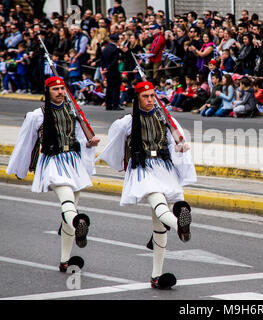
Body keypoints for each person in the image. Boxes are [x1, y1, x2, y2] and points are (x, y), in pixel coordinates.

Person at [97, 81, 196, 289]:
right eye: (146, 96)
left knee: (158, 226)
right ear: (138, 98)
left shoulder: (164, 118)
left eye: (152, 96)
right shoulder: (127, 121)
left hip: (163, 166)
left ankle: (156, 276)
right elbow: (114, 146)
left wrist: (181, 147)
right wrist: (124, 165)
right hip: (142, 168)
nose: (150, 100)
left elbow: (173, 141)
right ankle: (180, 224)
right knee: (159, 202)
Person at [6, 76, 100, 272]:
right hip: (53, 162)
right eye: (55, 89)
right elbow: (26, 143)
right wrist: (21, 168)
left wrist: (90, 144)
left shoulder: (73, 111)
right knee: (67, 201)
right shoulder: (37, 115)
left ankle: (65, 260)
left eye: (62, 89)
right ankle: (79, 227)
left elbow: (80, 138)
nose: (60, 92)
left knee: (70, 208)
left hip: (73, 161)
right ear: (47, 92)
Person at [101, 33, 123, 110]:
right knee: (115, 88)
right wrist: (108, 68)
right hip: (114, 71)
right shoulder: (115, 49)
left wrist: (104, 68)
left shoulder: (106, 48)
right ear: (116, 41)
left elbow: (102, 60)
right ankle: (115, 105)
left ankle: (108, 105)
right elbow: (114, 61)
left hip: (107, 72)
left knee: (109, 88)